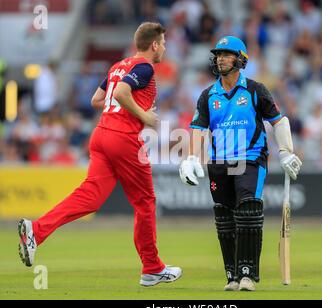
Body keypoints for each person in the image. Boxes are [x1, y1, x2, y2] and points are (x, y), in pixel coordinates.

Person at [18, 22, 182, 287]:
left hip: (101, 134)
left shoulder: (118, 65)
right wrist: (145, 116)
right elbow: (120, 92)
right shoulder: (145, 67)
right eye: (162, 43)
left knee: (90, 198)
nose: (164, 47)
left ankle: (36, 231)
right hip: (124, 138)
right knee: (145, 202)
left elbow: (98, 99)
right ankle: (152, 268)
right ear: (153, 45)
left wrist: (128, 105)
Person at [179, 36, 302, 291]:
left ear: (240, 59)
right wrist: (191, 157)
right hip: (219, 162)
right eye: (219, 54)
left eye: (227, 54)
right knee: (224, 218)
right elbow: (199, 129)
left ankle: (248, 274)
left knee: (248, 212)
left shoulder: (256, 90)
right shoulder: (208, 95)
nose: (221, 58)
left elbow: (279, 121)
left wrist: (286, 152)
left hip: (251, 159)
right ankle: (232, 276)